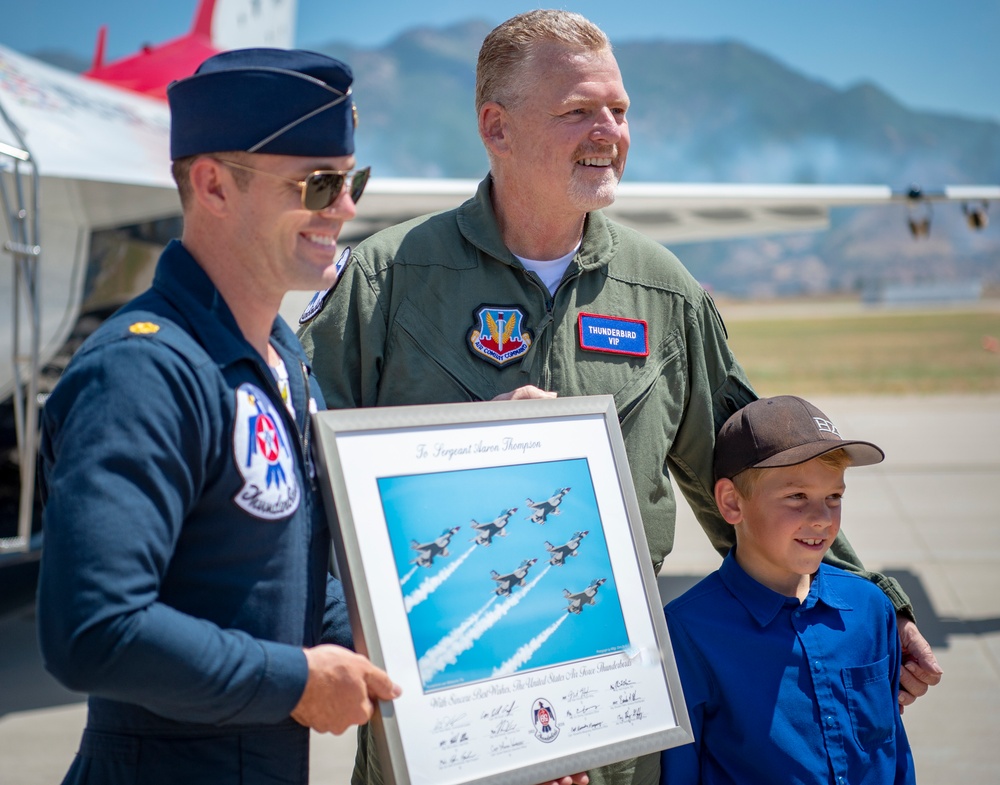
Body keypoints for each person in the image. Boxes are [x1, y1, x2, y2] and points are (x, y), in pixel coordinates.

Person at [297, 10, 940, 785]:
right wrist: (330, 643)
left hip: (611, 718)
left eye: (620, 110)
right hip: (444, 716)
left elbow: (755, 469)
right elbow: (303, 488)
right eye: (578, 112)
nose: (610, 131)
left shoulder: (660, 293)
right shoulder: (387, 280)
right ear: (495, 127)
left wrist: (873, 600)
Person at [35, 48, 401, 784]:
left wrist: (380, 640)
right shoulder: (143, 370)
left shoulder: (283, 361)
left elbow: (279, 580)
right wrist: (294, 680)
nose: (347, 207)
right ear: (213, 186)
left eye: (350, 179)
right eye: (318, 183)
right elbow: (94, 629)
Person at [660, 396, 915, 784]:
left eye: (834, 497)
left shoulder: (871, 609)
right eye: (797, 496)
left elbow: (894, 754)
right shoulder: (686, 633)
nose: (822, 519)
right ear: (732, 502)